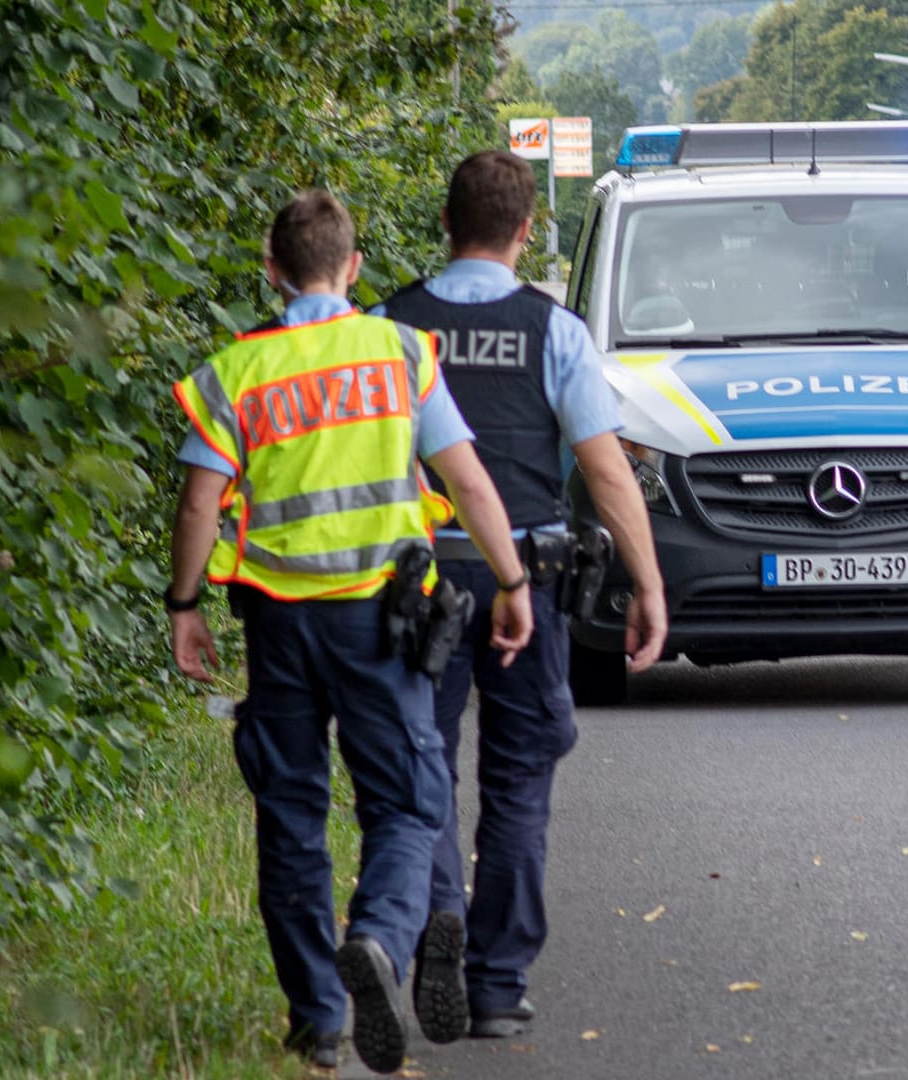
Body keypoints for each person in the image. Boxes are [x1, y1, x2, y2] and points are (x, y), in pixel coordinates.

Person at [167, 189, 535, 1074]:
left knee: (289, 810)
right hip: (380, 620)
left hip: (279, 625)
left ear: (271, 271)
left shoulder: (235, 372)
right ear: (354, 267)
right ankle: (377, 936)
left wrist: (184, 607)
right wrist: (512, 582)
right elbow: (470, 481)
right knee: (408, 804)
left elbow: (198, 503)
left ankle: (319, 1018)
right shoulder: (399, 353)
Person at [375, 151, 669, 1041]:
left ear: (444, 224)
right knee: (518, 777)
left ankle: (436, 920)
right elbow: (607, 473)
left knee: (420, 764)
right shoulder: (555, 331)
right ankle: (497, 983)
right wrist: (647, 584)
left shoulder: (392, 326)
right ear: (526, 231)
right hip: (523, 588)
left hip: (413, 584)